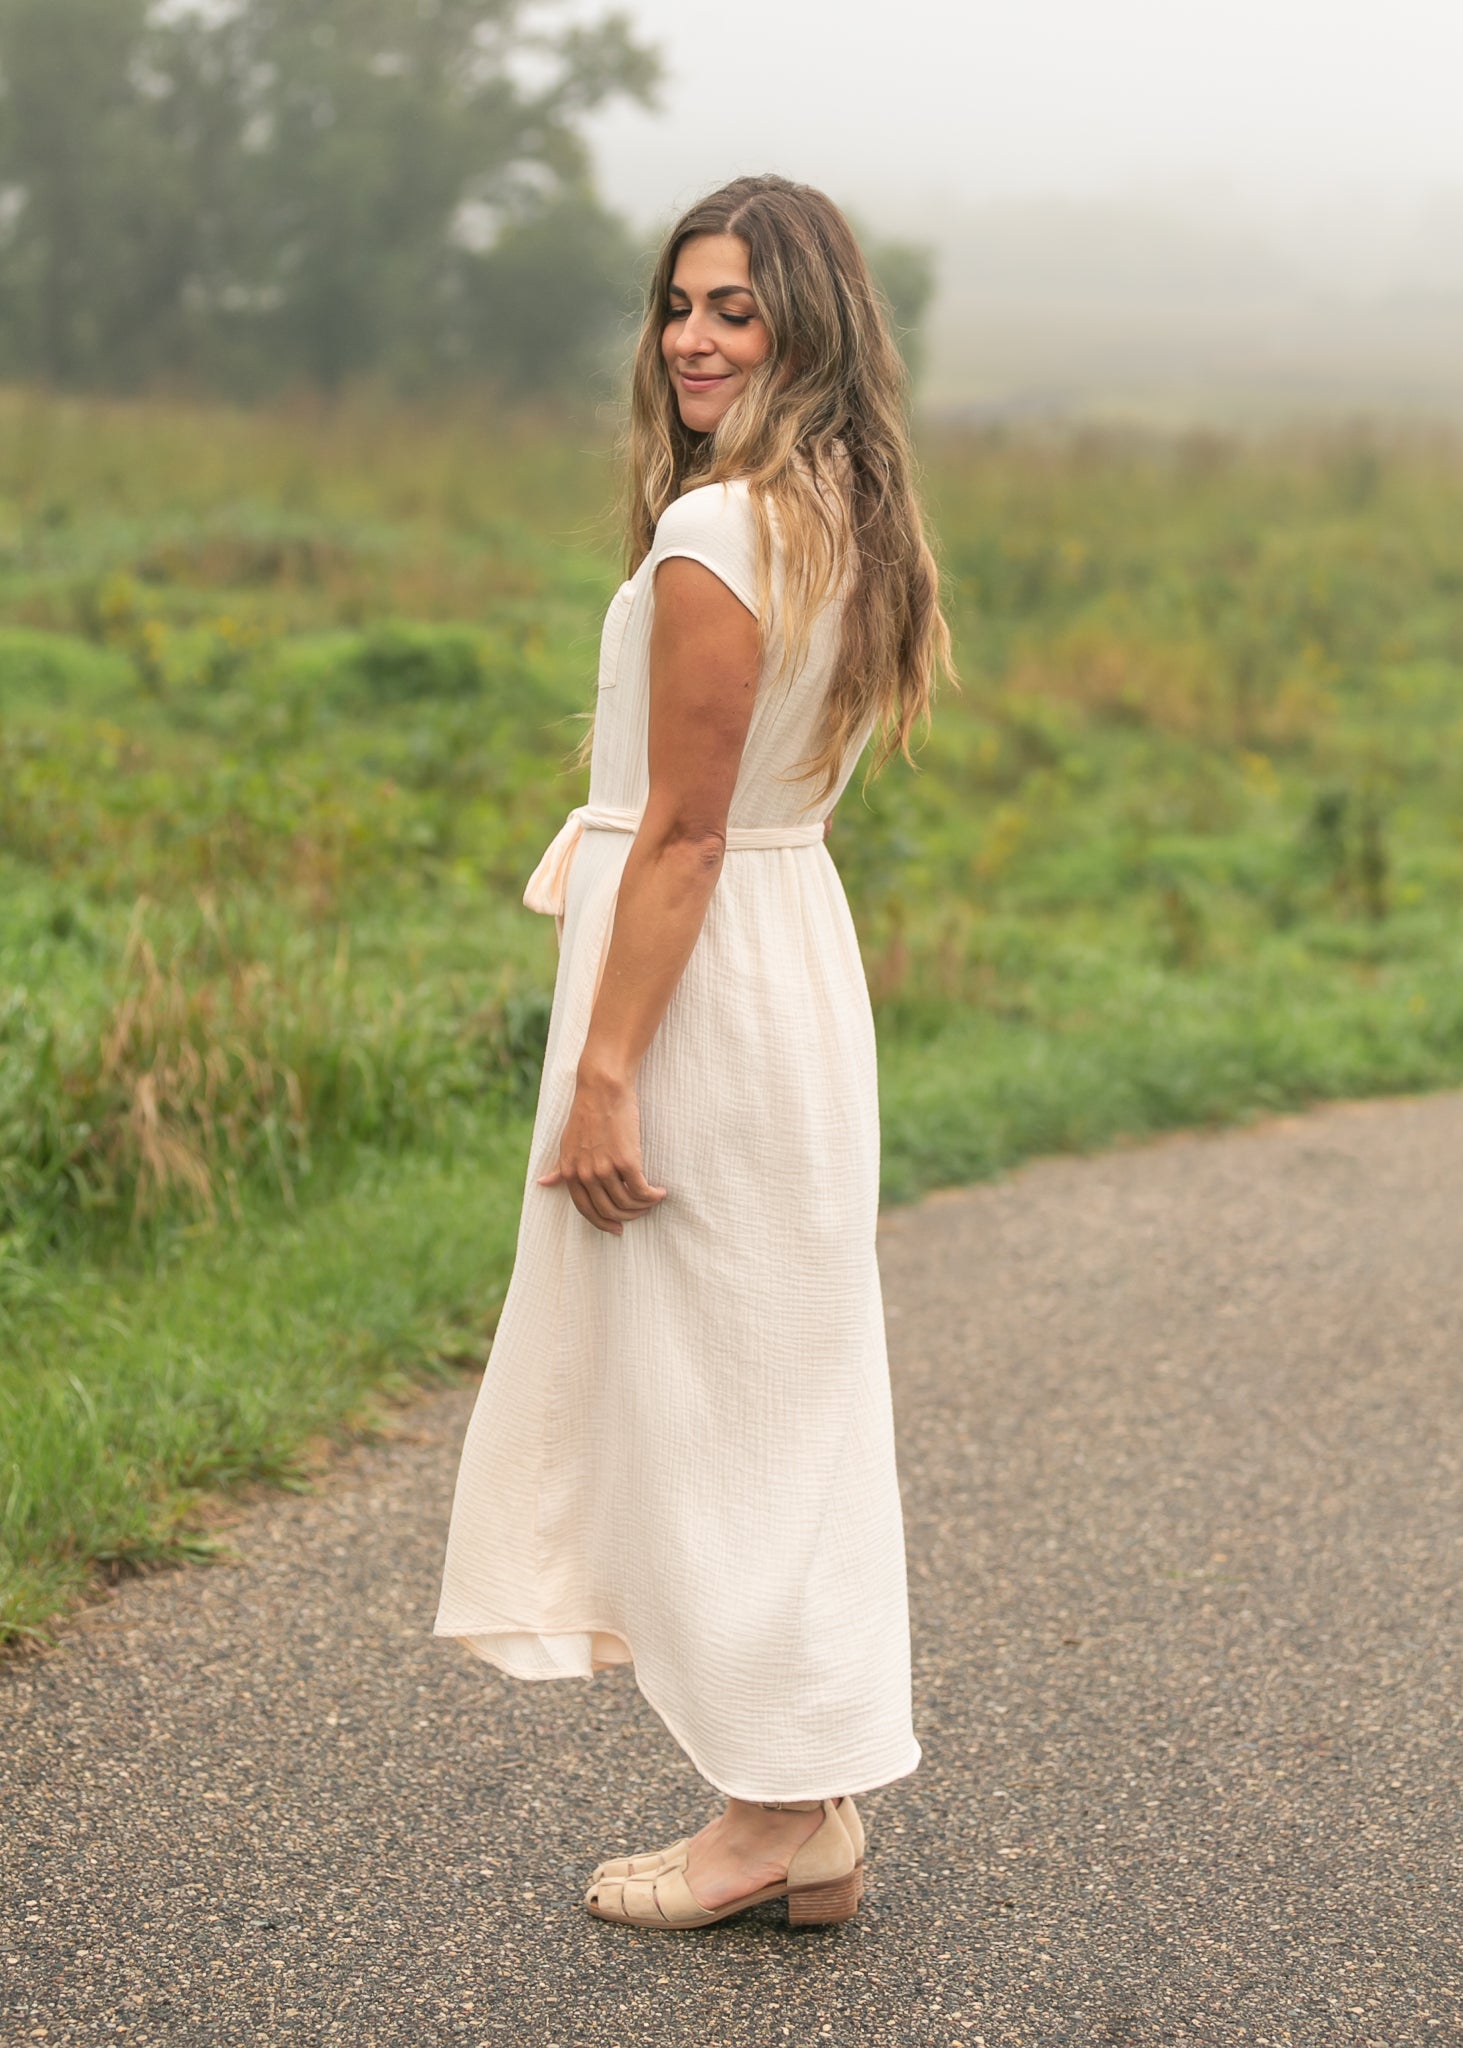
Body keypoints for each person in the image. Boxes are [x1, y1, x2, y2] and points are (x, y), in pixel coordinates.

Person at [434, 172, 952, 1931]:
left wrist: (604, 1071)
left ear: (811, 325)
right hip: (782, 965)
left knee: (733, 1401)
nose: (694, 339)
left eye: (737, 308)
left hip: (708, 988)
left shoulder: (722, 533)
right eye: (680, 305)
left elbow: (681, 834)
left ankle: (774, 1814)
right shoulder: (836, 513)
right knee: (768, 1384)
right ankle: (799, 1800)